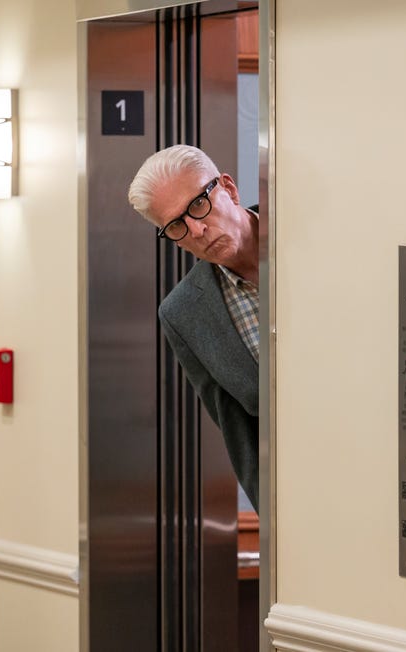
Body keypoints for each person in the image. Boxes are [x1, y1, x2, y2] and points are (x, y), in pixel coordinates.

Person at [128, 145, 260, 511]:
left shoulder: (315, 239)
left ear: (229, 189)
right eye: (176, 226)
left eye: (199, 204)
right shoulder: (184, 314)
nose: (197, 230)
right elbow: (239, 434)